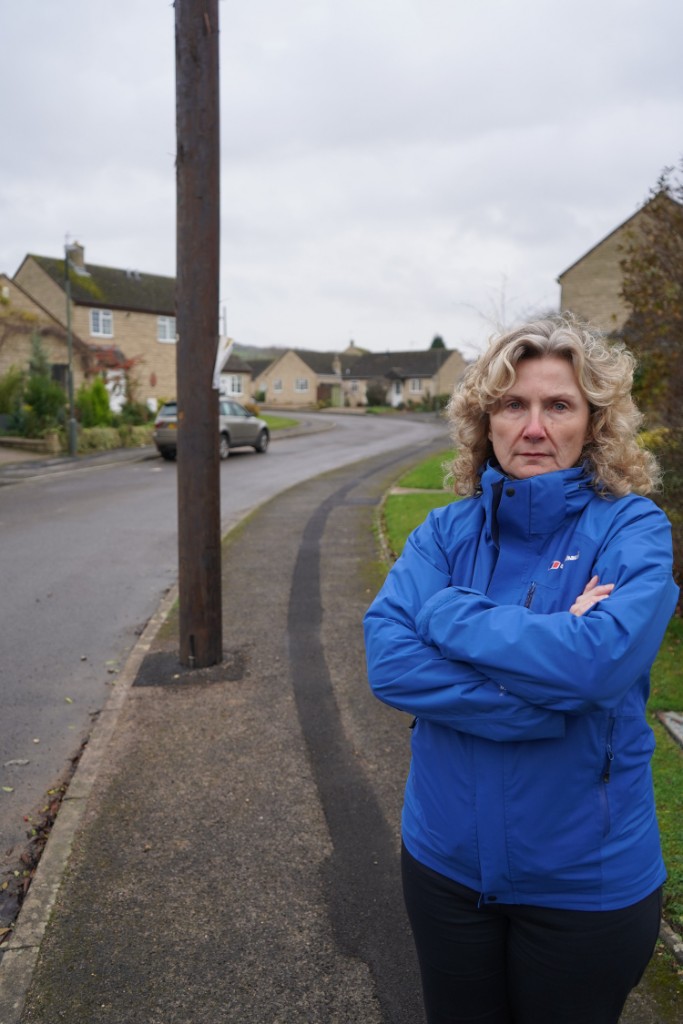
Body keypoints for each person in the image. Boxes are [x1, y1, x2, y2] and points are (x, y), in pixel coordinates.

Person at [363, 316, 679, 1024]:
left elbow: (597, 667)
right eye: (511, 404)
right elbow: (388, 662)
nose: (532, 426)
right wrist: (546, 694)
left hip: (584, 886)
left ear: (592, 422)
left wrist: (446, 616)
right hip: (443, 867)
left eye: (557, 405)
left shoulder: (634, 530)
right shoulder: (443, 532)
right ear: (484, 423)